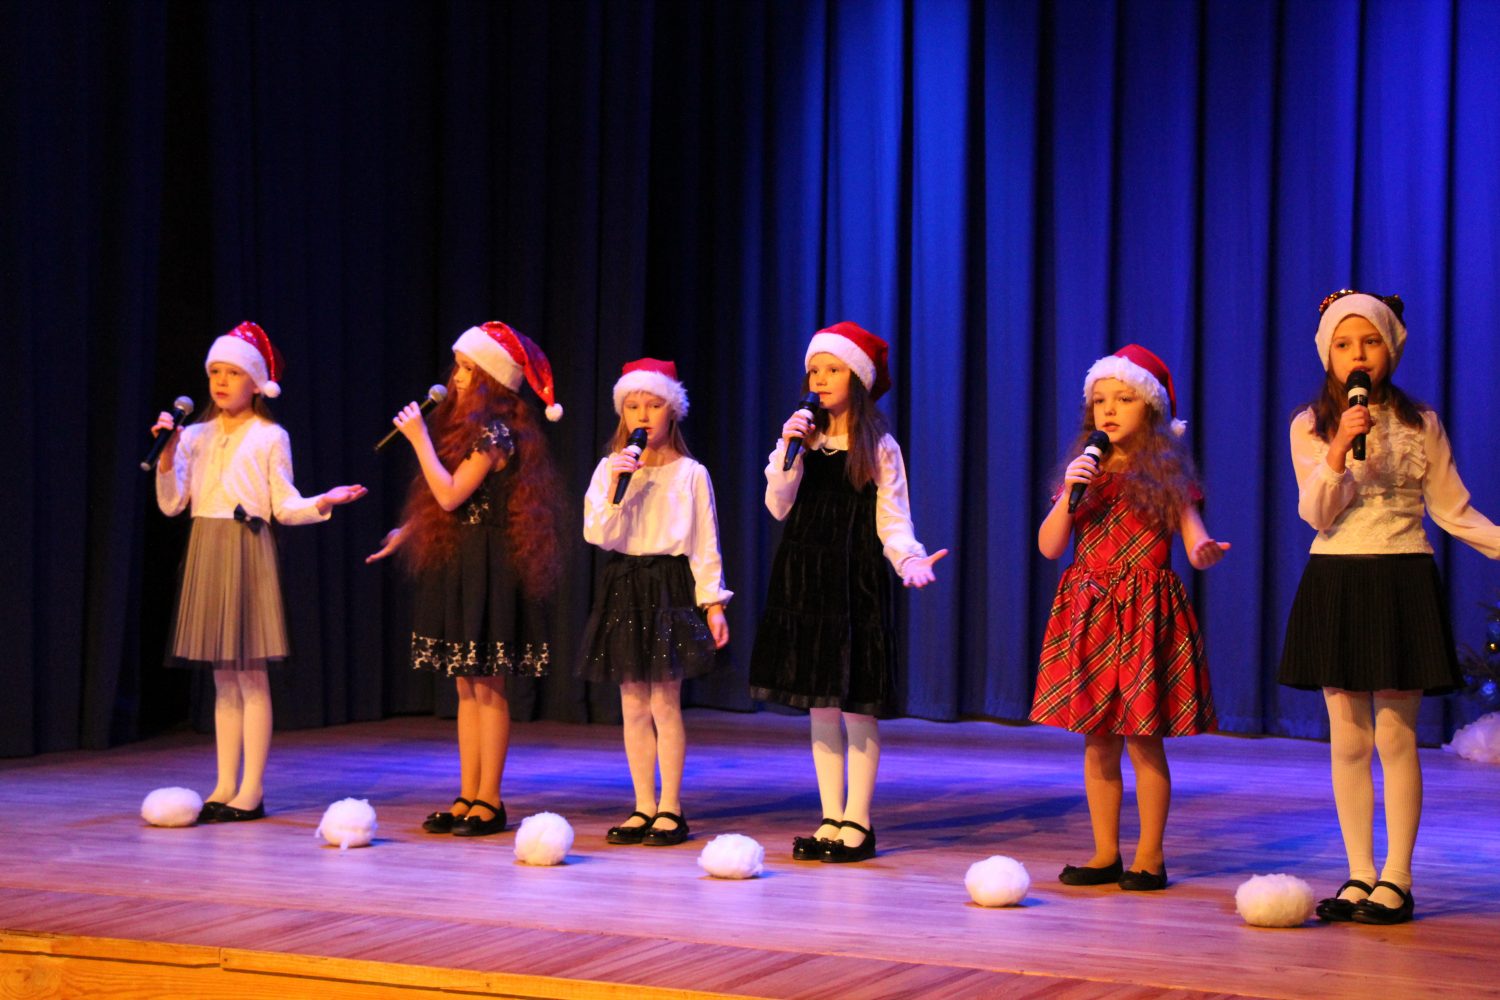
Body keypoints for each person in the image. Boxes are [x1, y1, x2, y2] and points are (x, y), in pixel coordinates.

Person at [1279, 290, 1500, 924]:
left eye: (1370, 342)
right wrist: (1337, 451)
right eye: (1344, 344)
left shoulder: (1420, 421)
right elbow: (1316, 513)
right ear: (1327, 354)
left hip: (1402, 578)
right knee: (1348, 739)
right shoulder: (1309, 424)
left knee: (1397, 739)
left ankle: (1397, 878)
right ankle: (1359, 873)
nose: (1358, 355)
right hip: (1337, 580)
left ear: (1391, 349)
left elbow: (1452, 510)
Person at [749, 322, 947, 863]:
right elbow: (777, 505)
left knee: (856, 705)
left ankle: (858, 820)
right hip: (804, 577)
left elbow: (893, 518)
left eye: (832, 369)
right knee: (819, 706)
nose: (820, 378)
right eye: (814, 370)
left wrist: (909, 560)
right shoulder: (800, 439)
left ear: (856, 378)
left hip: (854, 579)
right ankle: (830, 816)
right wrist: (788, 449)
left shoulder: (878, 445)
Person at [1031, 344, 1227, 891]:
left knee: (1143, 739)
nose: (1110, 410)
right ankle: (1104, 853)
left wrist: (1204, 550)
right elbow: (1050, 547)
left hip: (1144, 616)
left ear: (1152, 408)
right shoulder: (1084, 474)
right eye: (1100, 401)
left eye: (1124, 399)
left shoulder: (1166, 477)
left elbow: (1195, 539)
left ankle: (1150, 856)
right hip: (1090, 613)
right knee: (1098, 740)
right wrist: (1069, 493)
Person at [153, 321, 366, 823]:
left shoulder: (271, 435)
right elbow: (172, 503)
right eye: (215, 372)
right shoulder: (194, 436)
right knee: (223, 678)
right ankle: (224, 784)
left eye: (233, 373)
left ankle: (251, 789)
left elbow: (283, 505)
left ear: (256, 383)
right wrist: (166, 453)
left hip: (247, 549)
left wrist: (323, 501)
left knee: (250, 675)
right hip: (207, 547)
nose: (221, 381)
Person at [368, 321, 564, 837]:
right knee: (466, 685)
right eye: (457, 366)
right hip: (462, 562)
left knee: (489, 686)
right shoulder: (468, 432)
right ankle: (468, 793)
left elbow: (453, 493)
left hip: (489, 566)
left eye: (466, 369)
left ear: (490, 380)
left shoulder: (495, 434)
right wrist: (409, 529)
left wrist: (417, 439)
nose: (454, 378)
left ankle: (490, 800)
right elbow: (448, 502)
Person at [579, 358, 731, 847]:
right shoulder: (610, 468)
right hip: (624, 581)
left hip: (668, 585)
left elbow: (705, 543)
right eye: (632, 406)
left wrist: (713, 603)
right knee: (632, 701)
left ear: (673, 411)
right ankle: (643, 804)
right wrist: (618, 489)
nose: (642, 415)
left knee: (665, 701)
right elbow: (597, 534)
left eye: (653, 405)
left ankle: (671, 807)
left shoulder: (691, 473)